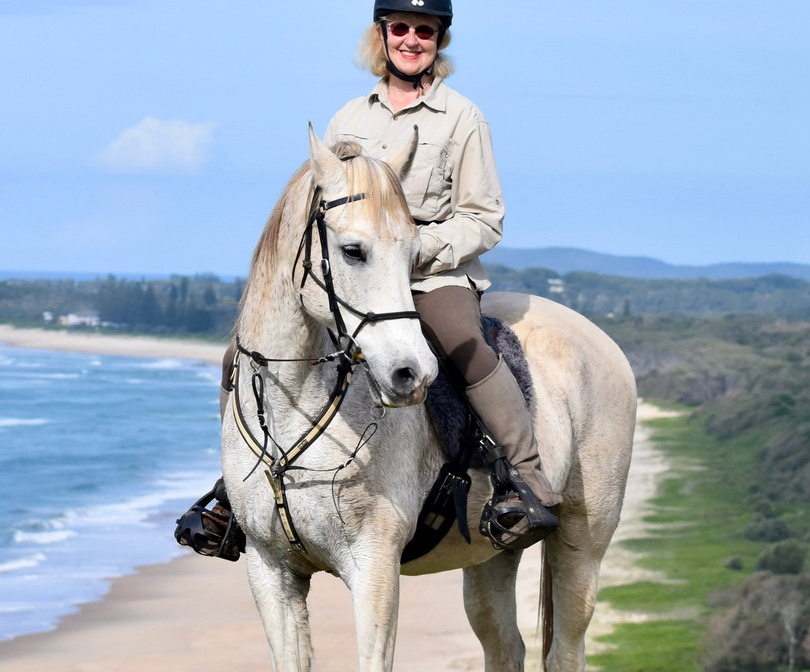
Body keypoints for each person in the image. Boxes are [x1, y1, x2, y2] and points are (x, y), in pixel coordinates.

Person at [188, 0, 560, 558]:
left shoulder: (463, 118)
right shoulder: (347, 120)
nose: (413, 39)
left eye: (426, 31)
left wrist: (415, 251)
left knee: (465, 346)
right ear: (382, 35)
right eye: (402, 28)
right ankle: (235, 493)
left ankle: (526, 481)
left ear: (441, 40)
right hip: (356, 275)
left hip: (432, 273)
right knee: (244, 354)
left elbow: (484, 218)